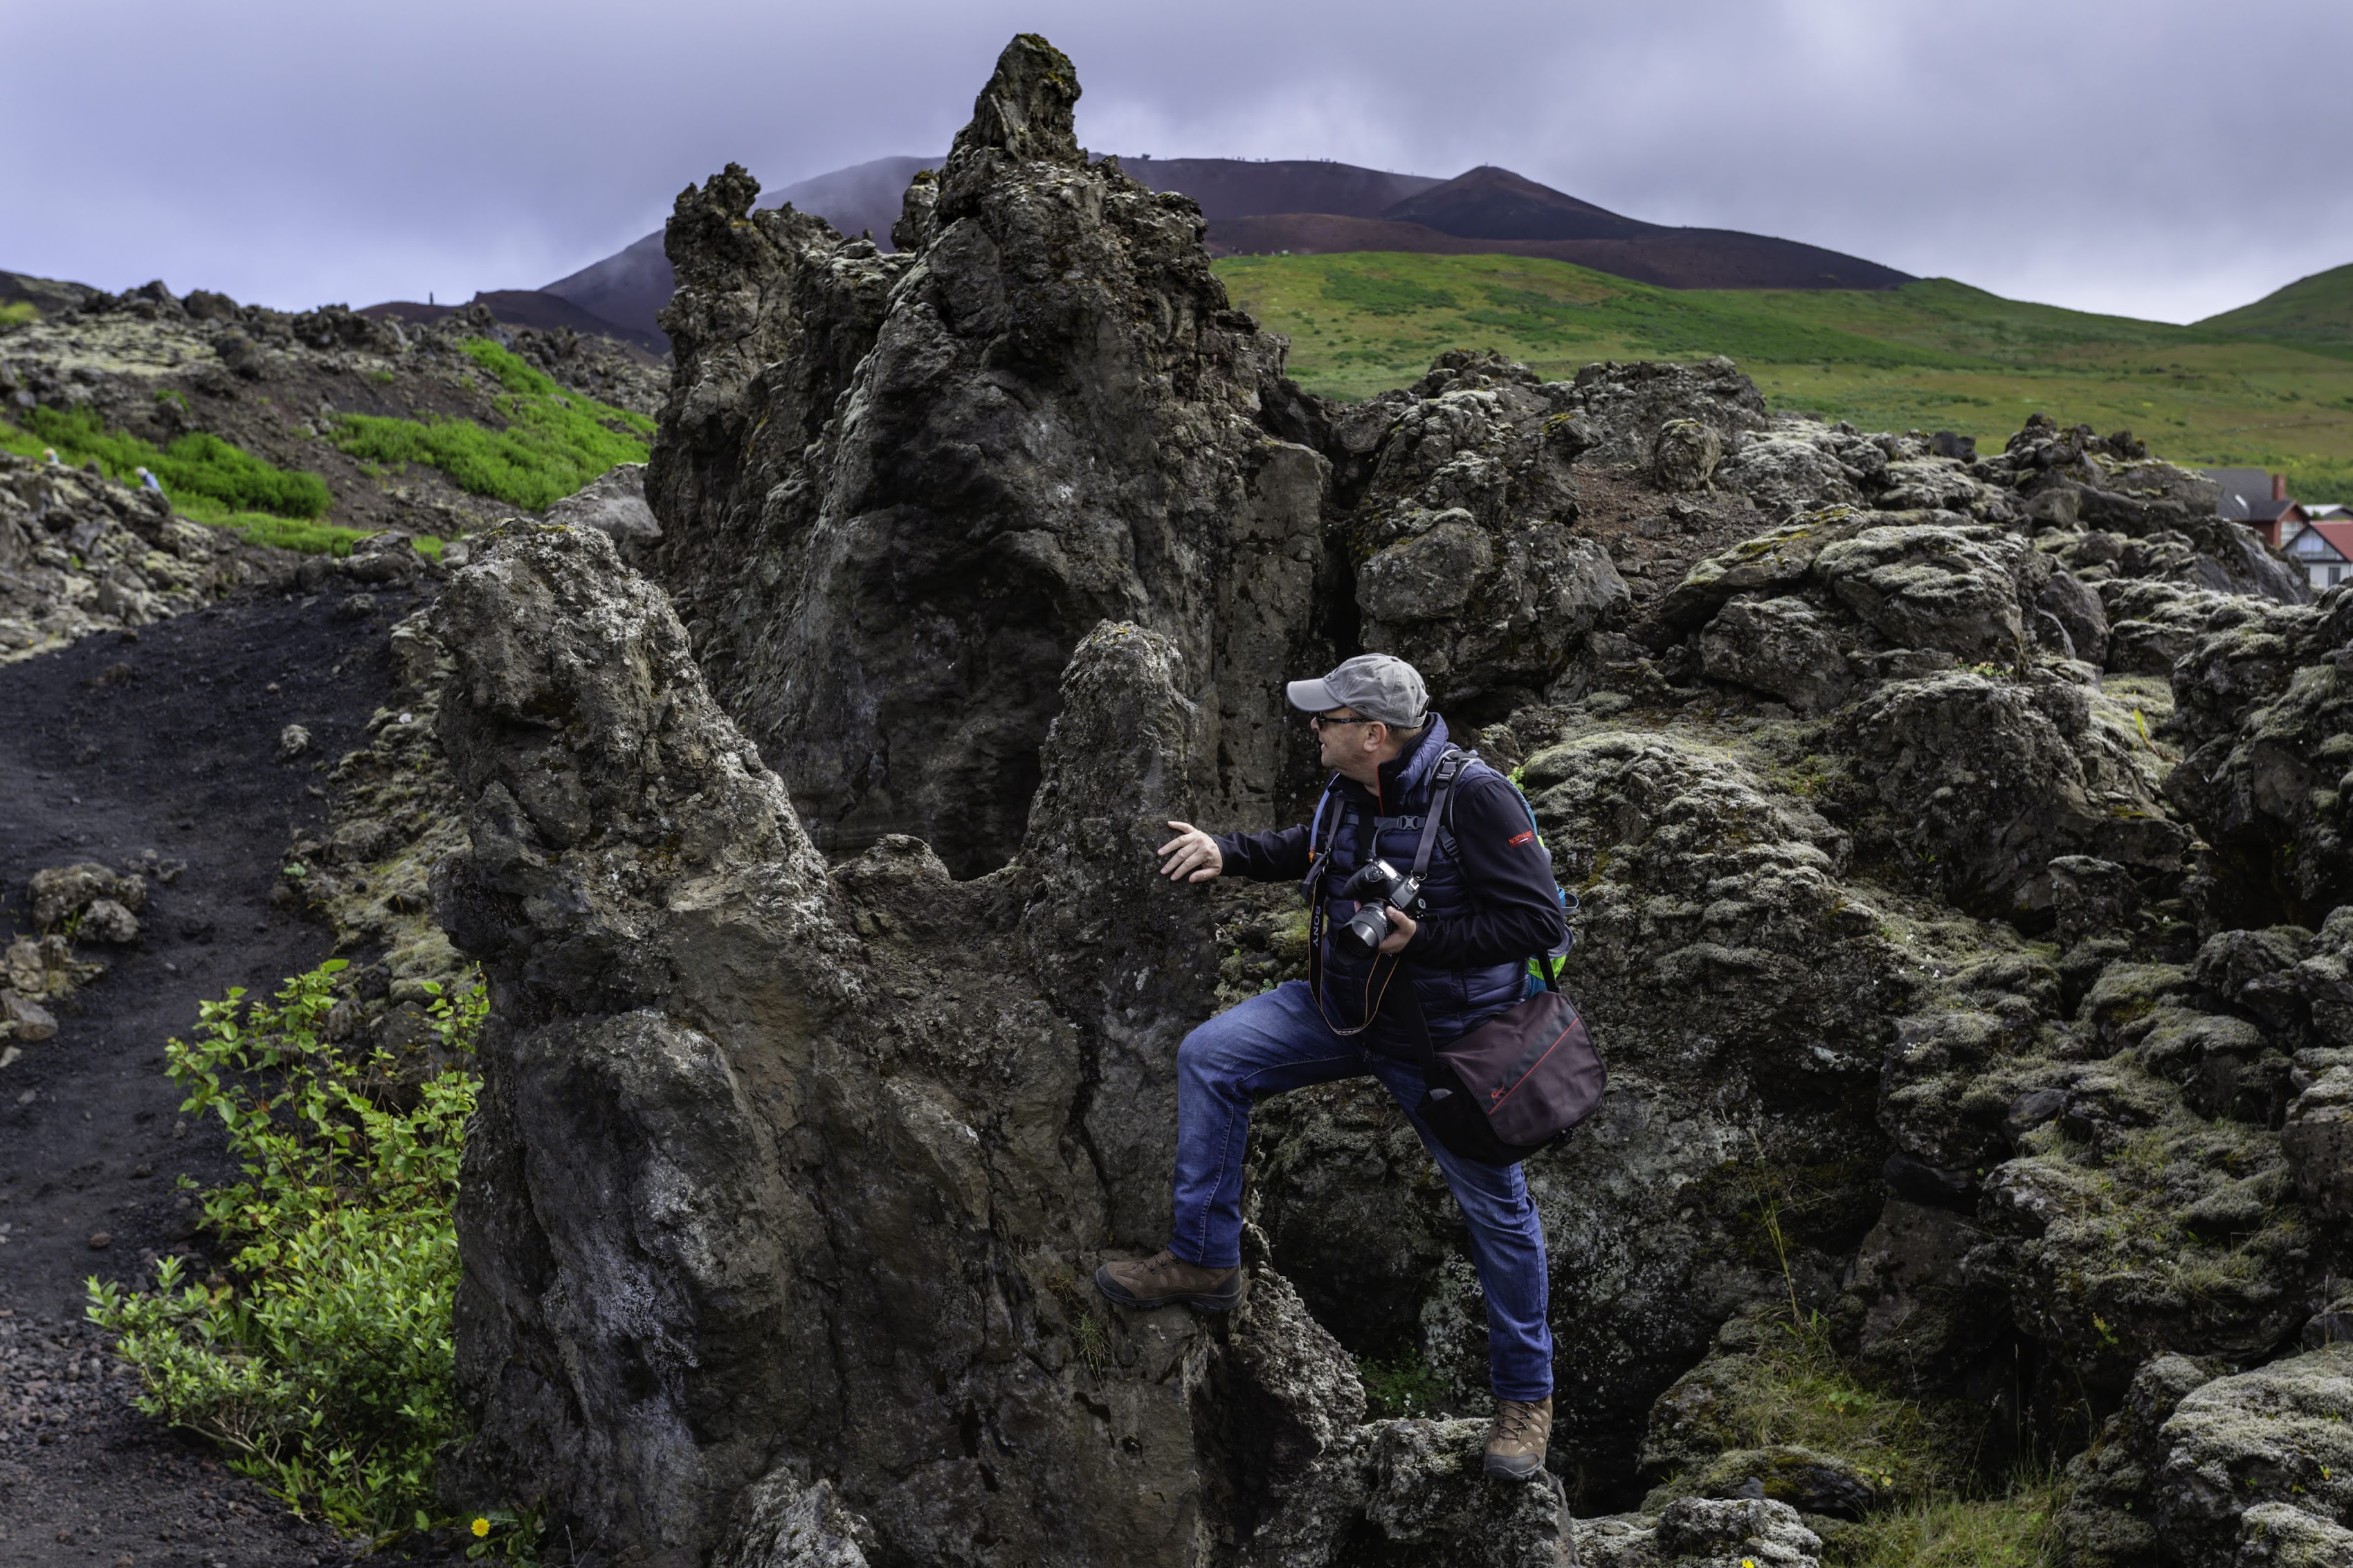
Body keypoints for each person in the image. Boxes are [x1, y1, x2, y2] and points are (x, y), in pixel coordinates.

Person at [1093, 653, 1570, 1482]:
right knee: (1213, 1056)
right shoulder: (1351, 786)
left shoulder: (1478, 796)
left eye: (1328, 718)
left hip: (1444, 1044)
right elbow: (1311, 854)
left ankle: (1524, 1401)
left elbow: (1537, 917)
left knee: (1498, 1211)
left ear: (1373, 734)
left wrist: (1428, 941)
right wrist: (1228, 851)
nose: (1314, 727)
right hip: (1343, 1009)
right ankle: (1205, 1259)